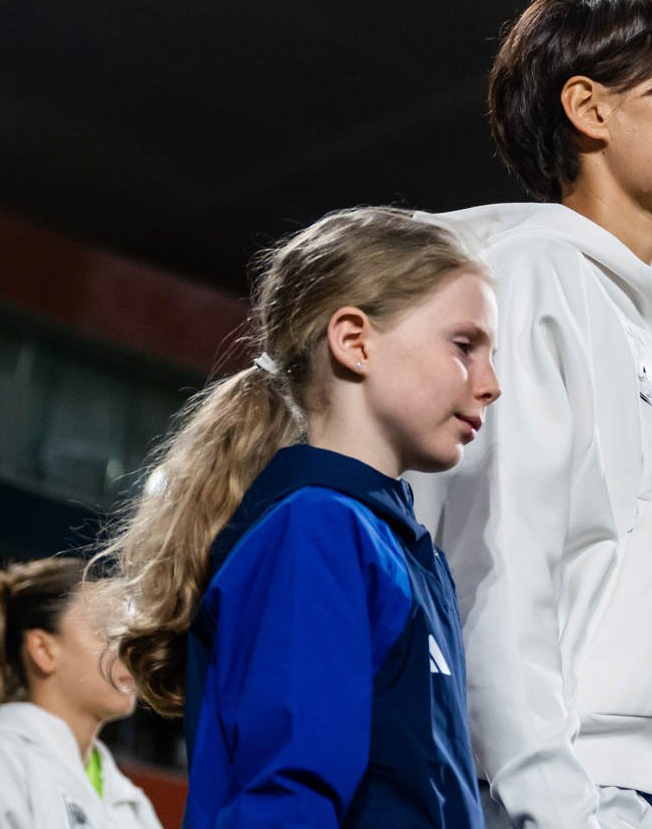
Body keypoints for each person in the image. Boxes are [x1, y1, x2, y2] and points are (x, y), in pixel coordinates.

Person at [411, 0, 652, 829]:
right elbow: (497, 571)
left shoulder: (632, 319)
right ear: (589, 108)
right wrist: (552, 808)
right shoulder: (533, 280)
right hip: (575, 789)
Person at [99, 206, 498, 828]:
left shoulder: (402, 550)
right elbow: (286, 801)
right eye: (464, 346)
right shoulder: (317, 530)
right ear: (354, 341)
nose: (491, 382)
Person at [0, 556, 161, 828]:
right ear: (42, 649)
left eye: (127, 634)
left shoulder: (132, 805)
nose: (128, 650)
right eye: (107, 632)